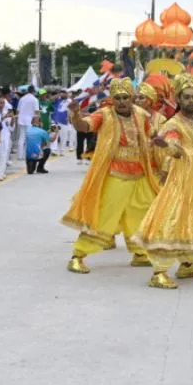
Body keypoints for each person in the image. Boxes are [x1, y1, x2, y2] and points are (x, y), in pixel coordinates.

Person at [134, 73, 193, 289]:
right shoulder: (174, 124)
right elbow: (175, 149)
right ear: (178, 99)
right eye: (186, 97)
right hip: (183, 180)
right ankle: (159, 271)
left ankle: (187, 263)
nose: (190, 101)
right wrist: (165, 145)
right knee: (174, 218)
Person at [62, 78, 160, 274]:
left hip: (140, 173)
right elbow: (84, 126)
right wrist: (75, 114)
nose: (122, 101)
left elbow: (153, 135)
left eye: (125, 97)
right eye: (118, 98)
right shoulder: (104, 115)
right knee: (104, 215)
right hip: (116, 173)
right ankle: (78, 255)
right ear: (112, 99)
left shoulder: (141, 114)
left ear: (131, 98)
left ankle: (140, 252)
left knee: (144, 212)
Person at [16, 86, 39, 161]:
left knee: (21, 137)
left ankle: (20, 156)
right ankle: (28, 154)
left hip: (21, 120)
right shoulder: (35, 99)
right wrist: (36, 122)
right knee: (29, 138)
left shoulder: (22, 99)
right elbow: (36, 112)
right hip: (30, 120)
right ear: (33, 91)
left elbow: (18, 111)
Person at [0, 96, 14, 181]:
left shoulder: (6, 111)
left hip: (5, 136)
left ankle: (0, 172)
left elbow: (11, 126)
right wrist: (5, 116)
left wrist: (13, 118)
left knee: (3, 155)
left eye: (3, 102)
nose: (2, 104)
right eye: (0, 102)